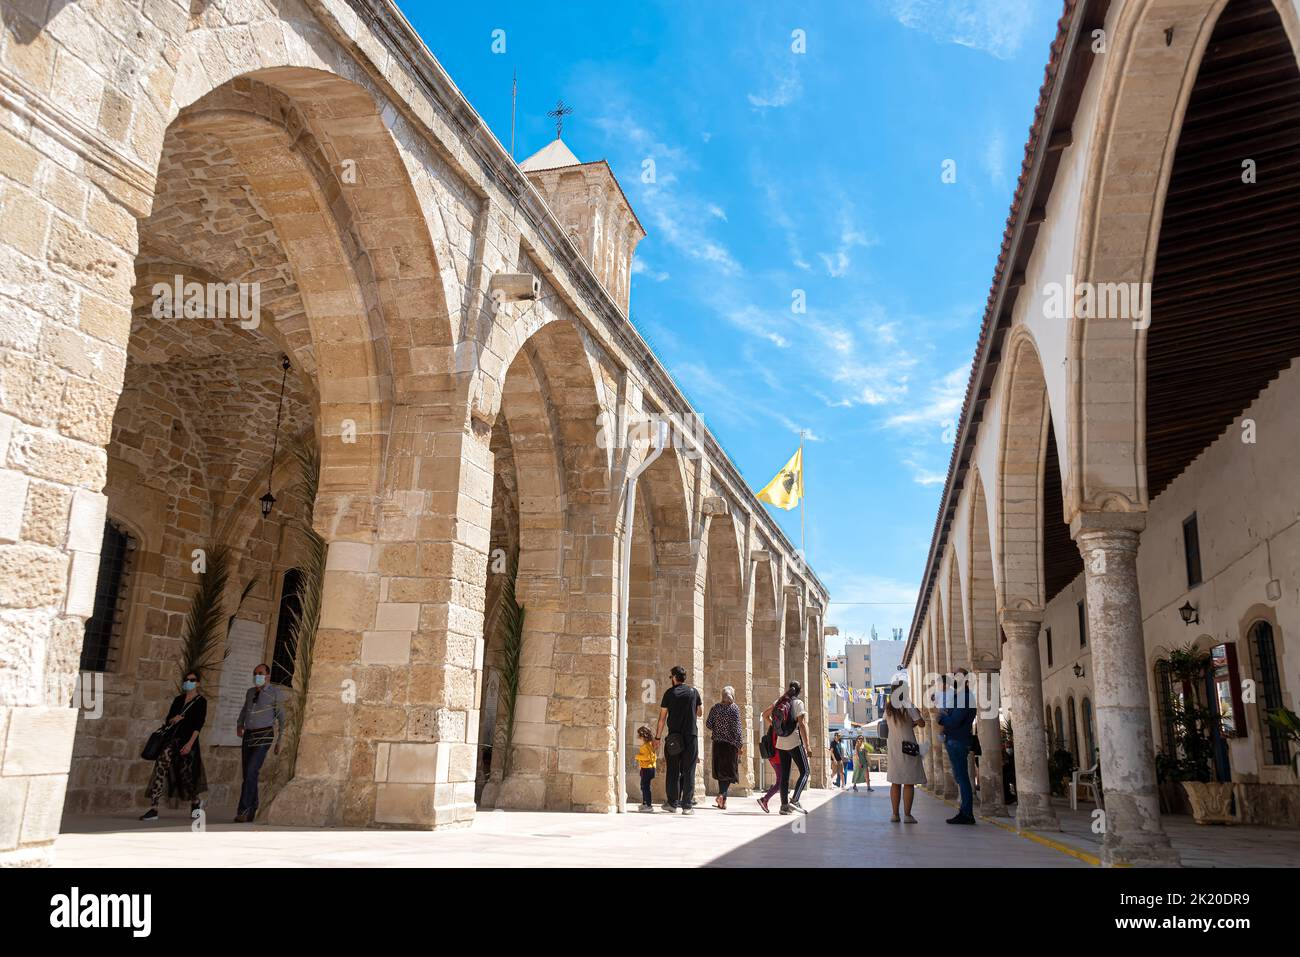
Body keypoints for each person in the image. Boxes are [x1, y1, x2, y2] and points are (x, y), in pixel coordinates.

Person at [140, 670, 208, 821]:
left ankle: (196, 801)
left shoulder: (201, 702)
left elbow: (198, 725)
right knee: (160, 767)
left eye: (192, 680)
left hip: (188, 742)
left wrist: (190, 744)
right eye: (186, 679)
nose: (188, 682)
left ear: (198, 683)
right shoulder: (178, 700)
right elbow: (168, 719)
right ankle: (154, 808)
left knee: (186, 775)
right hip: (172, 740)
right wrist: (174, 719)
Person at [235, 662, 285, 823]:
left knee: (251, 770)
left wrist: (280, 740)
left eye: (260, 673)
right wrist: (239, 724)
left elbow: (282, 717)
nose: (257, 676)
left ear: (268, 676)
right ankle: (253, 805)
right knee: (248, 773)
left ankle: (244, 809)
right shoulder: (250, 692)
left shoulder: (275, 693)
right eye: (255, 673)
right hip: (249, 735)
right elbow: (245, 708)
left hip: (265, 735)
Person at [655, 665, 702, 815]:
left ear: (675, 677)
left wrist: (657, 737)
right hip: (691, 736)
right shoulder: (694, 692)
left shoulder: (669, 693)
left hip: (674, 737)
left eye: (671, 677)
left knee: (673, 770)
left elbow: (662, 719)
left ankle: (672, 803)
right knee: (689, 771)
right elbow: (700, 713)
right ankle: (687, 806)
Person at [937, 668, 978, 825]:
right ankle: (964, 810)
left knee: (962, 777)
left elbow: (954, 720)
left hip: (958, 740)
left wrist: (941, 719)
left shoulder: (966, 698)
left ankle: (967, 813)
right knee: (959, 777)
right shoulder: (959, 697)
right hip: (954, 739)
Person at [884, 680, 926, 823]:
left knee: (895, 781)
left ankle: (895, 814)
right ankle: (907, 815)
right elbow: (922, 723)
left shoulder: (888, 708)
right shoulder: (908, 705)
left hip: (894, 746)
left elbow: (889, 725)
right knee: (909, 781)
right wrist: (915, 719)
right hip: (908, 745)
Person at [771, 680, 811, 814]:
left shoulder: (780, 701)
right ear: (799, 691)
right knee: (805, 771)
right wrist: (808, 746)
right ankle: (795, 800)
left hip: (781, 743)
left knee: (784, 776)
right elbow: (802, 724)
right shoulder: (798, 703)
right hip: (794, 741)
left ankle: (784, 806)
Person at [705, 686, 744, 809]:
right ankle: (722, 796)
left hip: (717, 744)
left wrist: (718, 729)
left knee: (721, 772)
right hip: (730, 745)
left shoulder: (715, 708)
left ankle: (722, 799)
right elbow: (737, 729)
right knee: (729, 772)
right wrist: (740, 745)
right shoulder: (734, 709)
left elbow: (708, 724)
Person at [755, 720, 783, 813]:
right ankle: (765, 799)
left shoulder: (773, 728)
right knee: (780, 782)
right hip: (777, 758)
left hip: (773, 758)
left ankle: (786, 802)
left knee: (781, 781)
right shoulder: (778, 729)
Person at [634, 725, 657, 812]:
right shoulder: (650, 744)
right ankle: (645, 803)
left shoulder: (645, 746)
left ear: (642, 736)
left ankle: (648, 805)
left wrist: (637, 756)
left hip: (647, 769)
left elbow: (647, 757)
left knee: (645, 787)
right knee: (644, 786)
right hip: (650, 768)